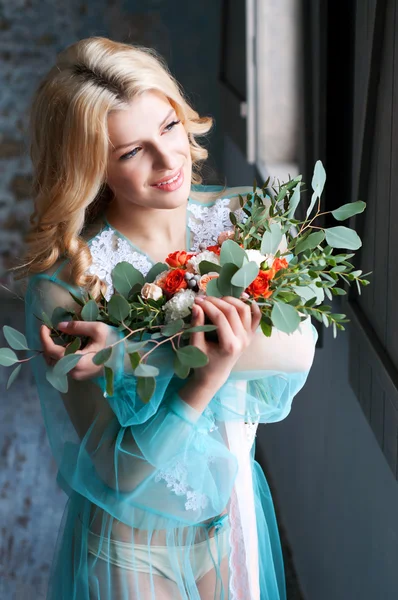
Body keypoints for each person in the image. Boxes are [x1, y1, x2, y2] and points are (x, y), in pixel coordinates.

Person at [20, 36, 318, 599]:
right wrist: (202, 378)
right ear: (92, 168)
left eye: (169, 127)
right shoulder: (67, 288)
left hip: (231, 525)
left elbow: (297, 349)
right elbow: (114, 473)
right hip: (128, 548)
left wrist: (133, 353)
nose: (166, 161)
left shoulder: (244, 220)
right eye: (131, 152)